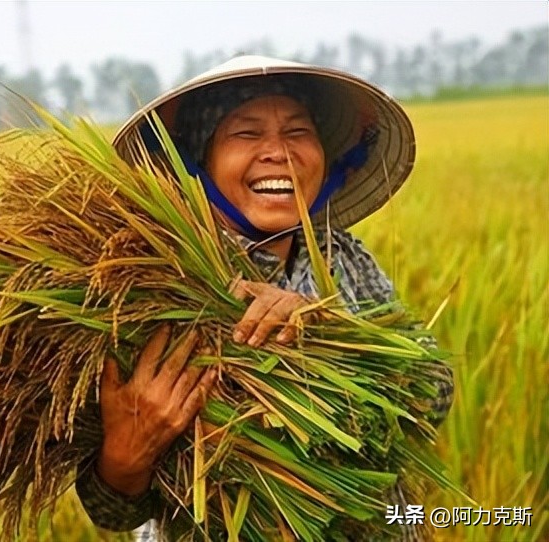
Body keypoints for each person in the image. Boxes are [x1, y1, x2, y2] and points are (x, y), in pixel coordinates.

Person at [75, 56, 454, 541]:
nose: (278, 152)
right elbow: (111, 510)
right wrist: (127, 457)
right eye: (246, 134)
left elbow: (433, 392)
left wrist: (328, 329)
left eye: (298, 132)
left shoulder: (345, 258)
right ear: (198, 163)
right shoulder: (155, 285)